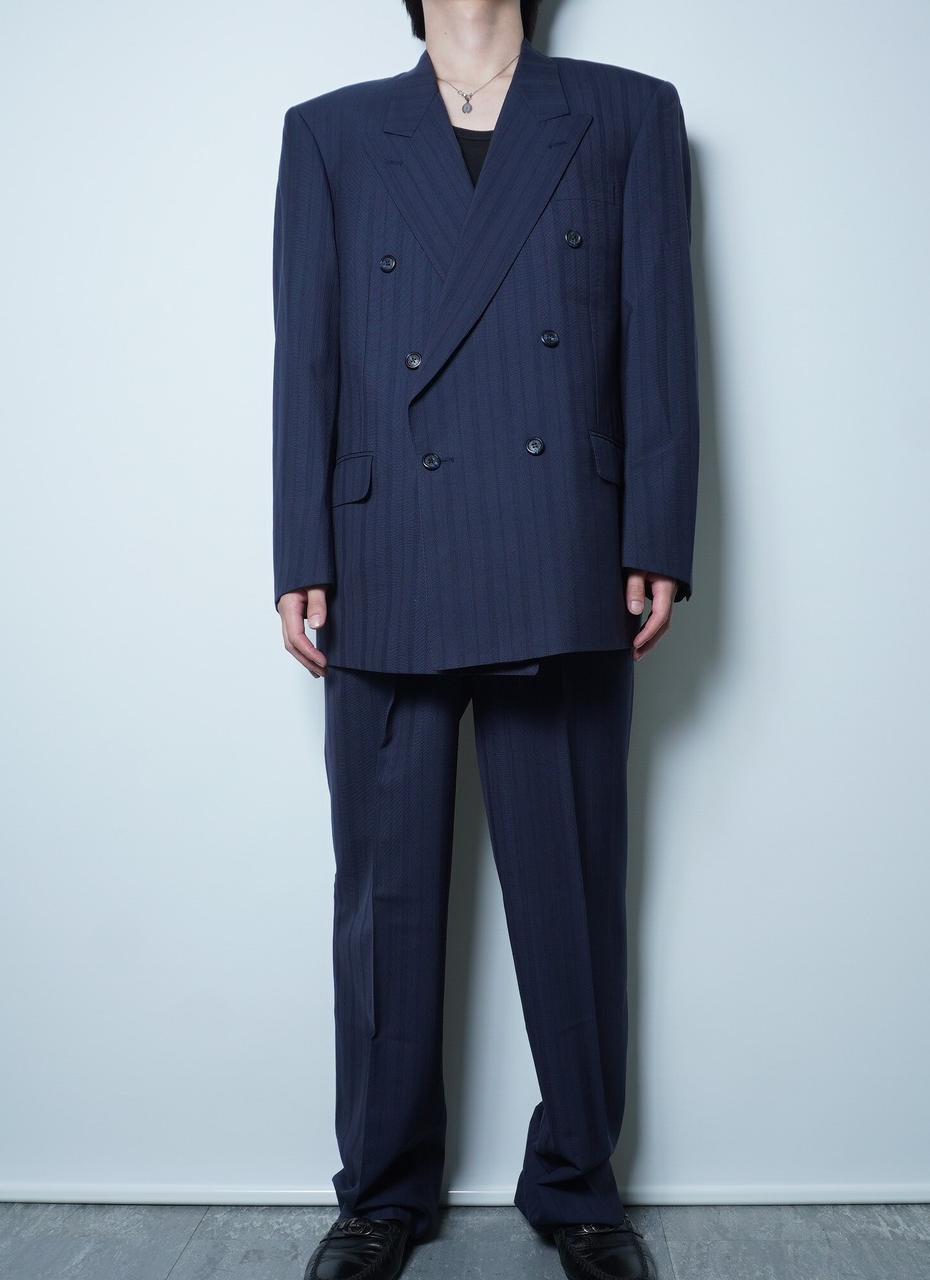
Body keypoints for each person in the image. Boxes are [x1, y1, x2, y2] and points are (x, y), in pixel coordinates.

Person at [271, 1, 699, 1276]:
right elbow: (307, 352)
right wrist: (299, 549)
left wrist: (655, 529)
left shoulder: (625, 113)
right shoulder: (331, 132)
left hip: (558, 532)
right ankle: (379, 1192)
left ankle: (577, 1184)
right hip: (382, 545)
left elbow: (660, 330)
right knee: (385, 897)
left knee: (570, 888)